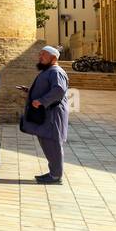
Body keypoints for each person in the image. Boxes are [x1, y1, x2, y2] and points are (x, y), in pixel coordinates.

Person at [19, 46, 70, 185]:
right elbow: (48, 89)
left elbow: (59, 90)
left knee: (53, 143)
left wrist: (41, 101)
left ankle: (55, 176)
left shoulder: (56, 72)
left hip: (52, 115)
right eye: (40, 54)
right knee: (47, 143)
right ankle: (53, 172)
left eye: (44, 55)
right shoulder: (48, 71)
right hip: (46, 115)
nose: (40, 57)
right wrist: (30, 91)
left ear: (53, 58)